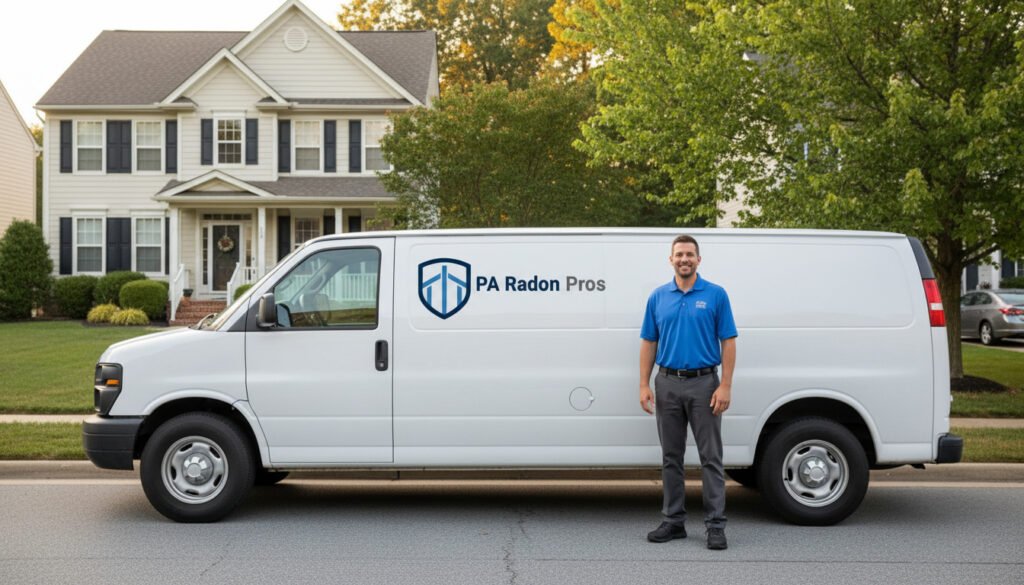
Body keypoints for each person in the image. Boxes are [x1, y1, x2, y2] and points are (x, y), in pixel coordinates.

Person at [639, 234, 737, 550]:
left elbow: (729, 341)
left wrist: (725, 384)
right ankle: (673, 521)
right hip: (666, 383)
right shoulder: (657, 298)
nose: (684, 259)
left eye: (690, 254)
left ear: (698, 259)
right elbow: (648, 342)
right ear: (671, 259)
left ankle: (715, 526)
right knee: (671, 457)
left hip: (705, 384)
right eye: (679, 254)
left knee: (711, 457)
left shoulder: (715, 295)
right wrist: (644, 383)